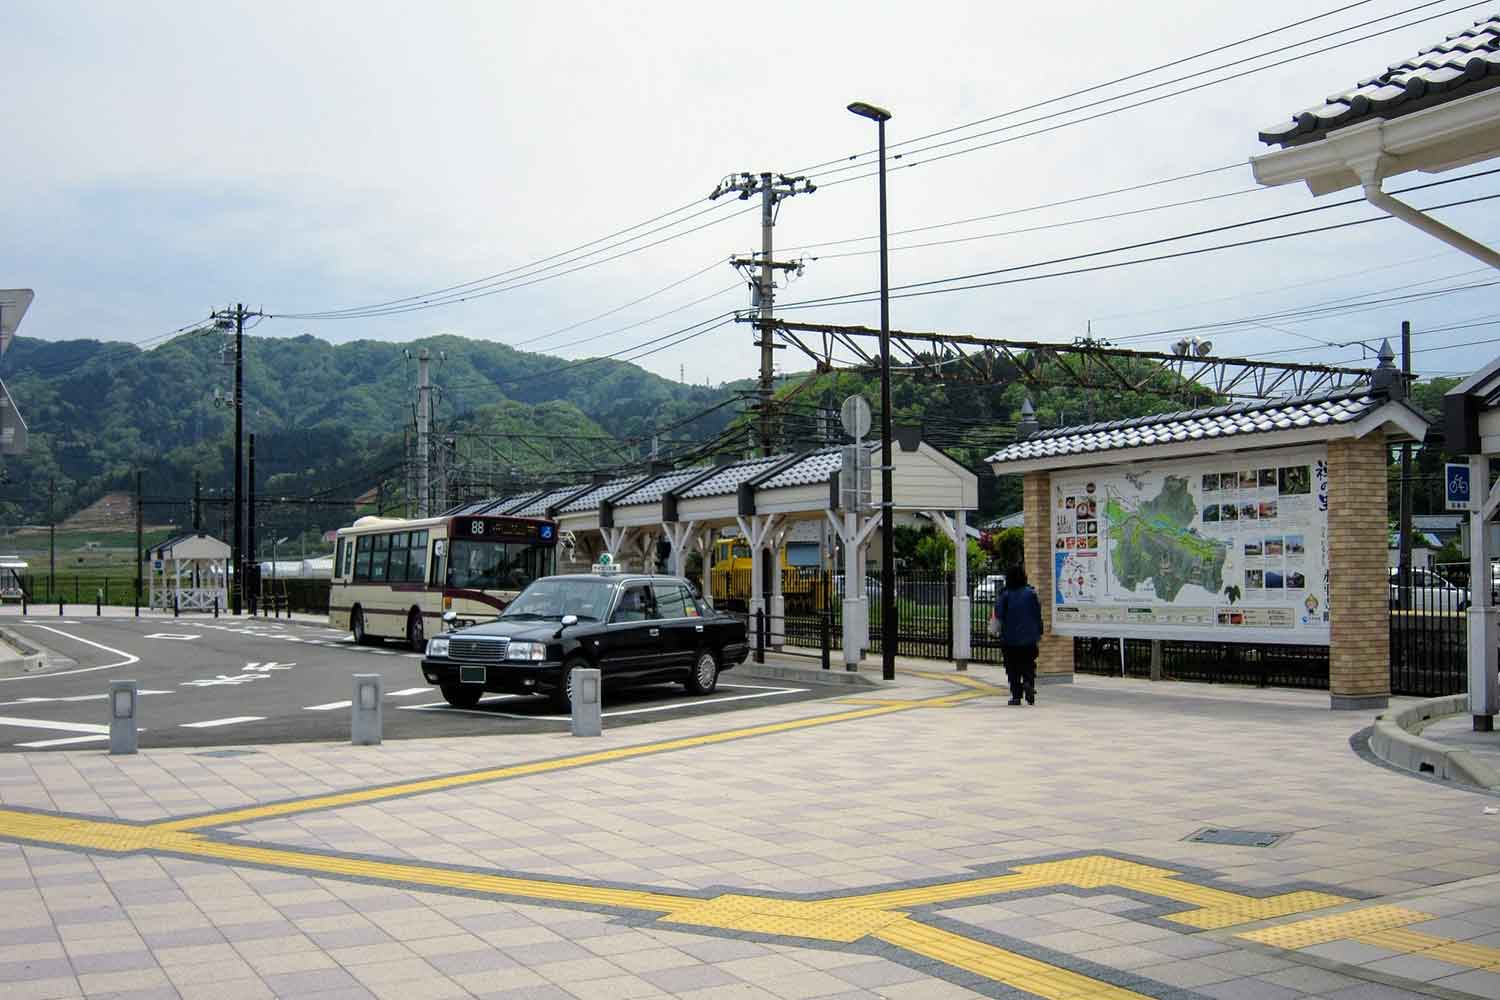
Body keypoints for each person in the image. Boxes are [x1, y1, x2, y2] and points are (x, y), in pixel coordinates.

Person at [993, 564, 1043, 705]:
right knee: (1028, 664)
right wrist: (1039, 630)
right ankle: (1028, 683)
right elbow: (1037, 614)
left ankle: (1016, 695)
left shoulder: (1005, 595)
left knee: (1012, 668)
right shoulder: (1031, 593)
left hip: (1009, 639)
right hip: (1029, 638)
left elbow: (999, 614)